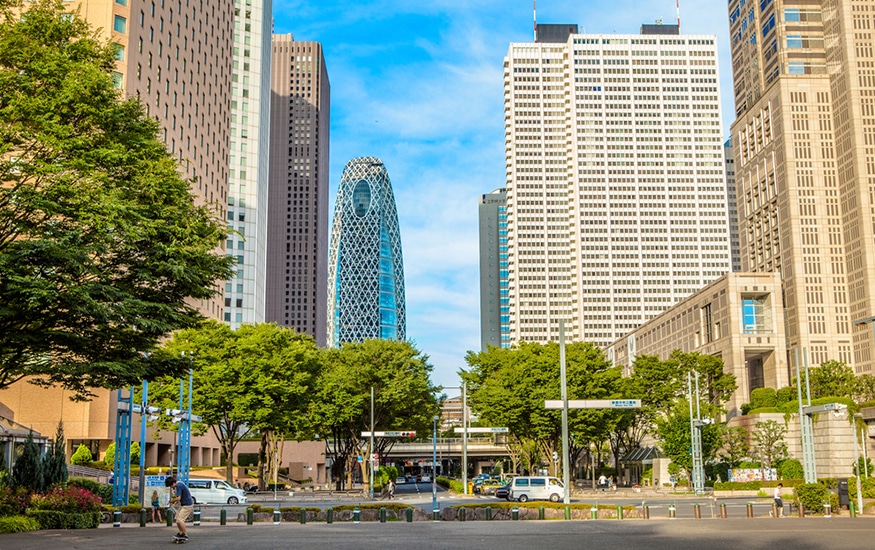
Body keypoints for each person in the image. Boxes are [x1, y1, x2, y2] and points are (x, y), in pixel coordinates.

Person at [165, 476, 193, 540]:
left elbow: (178, 498)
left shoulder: (178, 486)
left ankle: (185, 534)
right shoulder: (180, 483)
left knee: (180, 520)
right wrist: (176, 502)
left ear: (173, 483)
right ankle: (181, 533)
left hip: (187, 505)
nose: (171, 487)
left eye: (170, 486)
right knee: (177, 519)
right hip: (184, 504)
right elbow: (181, 496)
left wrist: (171, 501)